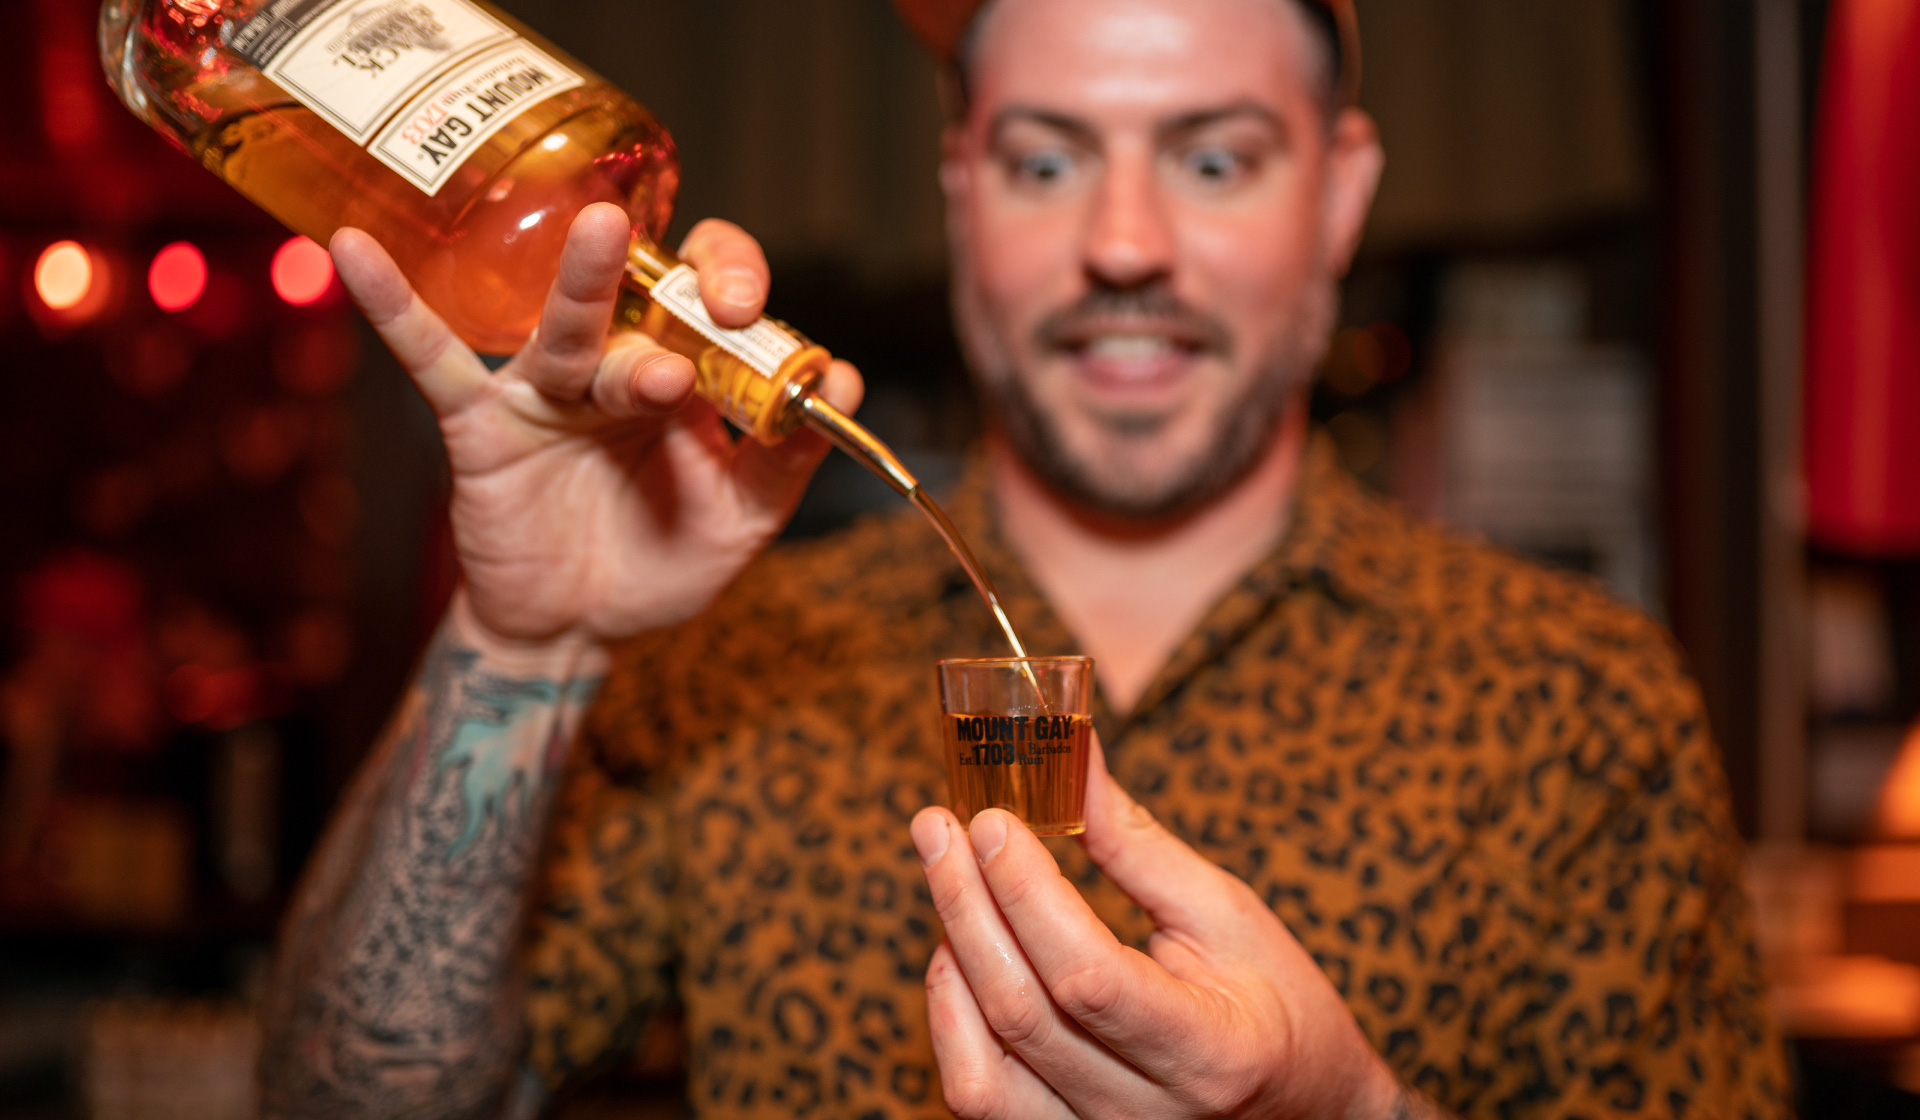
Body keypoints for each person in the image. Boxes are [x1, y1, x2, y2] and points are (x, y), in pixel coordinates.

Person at [258, 0, 1792, 1117]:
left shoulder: (1578, 705)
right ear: (960, 193)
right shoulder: (739, 666)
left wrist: (1352, 1113)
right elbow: (344, 1099)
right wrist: (523, 649)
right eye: (1048, 164)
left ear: (1339, 197)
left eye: (1215, 162)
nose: (1123, 243)